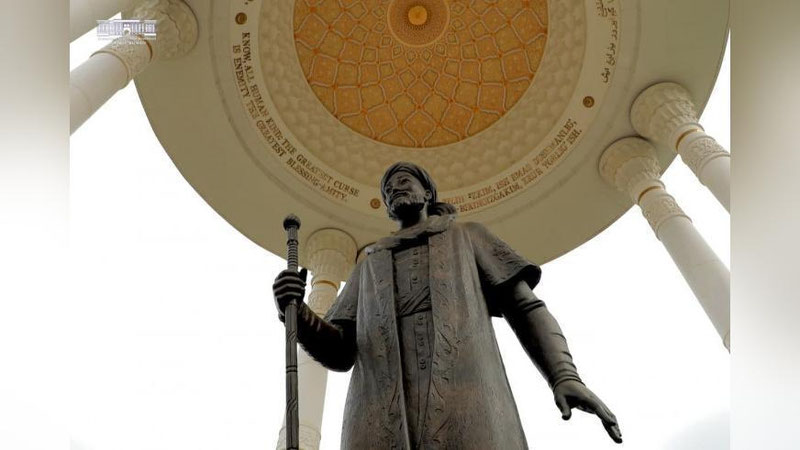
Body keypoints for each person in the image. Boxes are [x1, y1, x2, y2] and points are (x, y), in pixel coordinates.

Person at [273, 162, 622, 449]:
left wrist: (563, 375)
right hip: (378, 417)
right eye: (387, 190)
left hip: (469, 407)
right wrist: (296, 311)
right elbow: (340, 351)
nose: (394, 190)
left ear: (428, 193)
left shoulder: (467, 236)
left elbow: (525, 307)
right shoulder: (368, 265)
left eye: (403, 181)